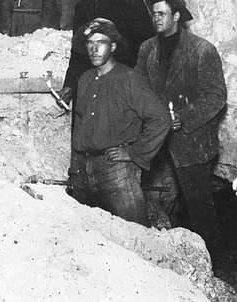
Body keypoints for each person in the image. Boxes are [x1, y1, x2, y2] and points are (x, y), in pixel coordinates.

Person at [135, 0, 226, 265]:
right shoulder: (147, 49)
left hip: (191, 143)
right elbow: (138, 89)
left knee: (199, 209)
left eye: (161, 13)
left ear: (176, 16)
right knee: (156, 200)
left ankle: (212, 266)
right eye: (153, 14)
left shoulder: (202, 50)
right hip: (156, 140)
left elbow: (216, 96)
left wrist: (183, 117)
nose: (156, 18)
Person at [68, 19, 171, 226]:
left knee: (133, 235)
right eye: (90, 43)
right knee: (88, 236)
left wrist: (134, 153)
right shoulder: (85, 79)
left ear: (113, 46)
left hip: (116, 172)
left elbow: (160, 119)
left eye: (101, 43)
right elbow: (78, 125)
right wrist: (74, 167)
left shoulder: (129, 78)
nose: (94, 49)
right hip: (83, 171)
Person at [60, 0, 153, 103]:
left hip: (120, 80)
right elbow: (77, 50)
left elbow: (146, 47)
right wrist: (70, 83)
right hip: (89, 80)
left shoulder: (130, 1)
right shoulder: (83, 5)